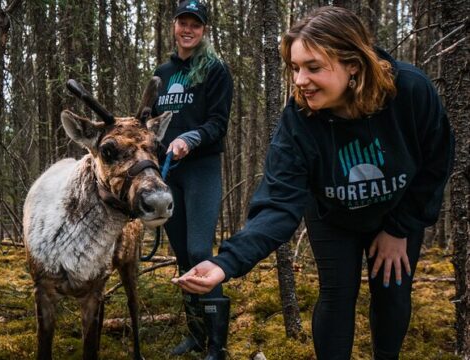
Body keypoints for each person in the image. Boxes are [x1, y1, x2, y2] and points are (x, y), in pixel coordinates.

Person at [172, 6, 453, 360]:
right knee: (337, 294)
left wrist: (399, 229)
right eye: (295, 68)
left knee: (393, 290)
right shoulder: (298, 122)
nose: (300, 80)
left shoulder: (410, 91)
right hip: (331, 214)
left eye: (313, 67)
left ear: (354, 63)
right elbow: (278, 203)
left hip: (397, 211)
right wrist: (226, 262)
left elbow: (436, 161)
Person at [151, 1, 233, 359]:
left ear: (203, 30)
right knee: (183, 256)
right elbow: (149, 121)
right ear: (174, 25)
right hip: (169, 174)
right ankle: (197, 336)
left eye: (195, 25)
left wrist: (190, 139)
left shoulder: (214, 70)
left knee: (201, 251)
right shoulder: (162, 72)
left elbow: (218, 123)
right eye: (183, 22)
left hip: (201, 169)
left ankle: (217, 346)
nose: (188, 29)